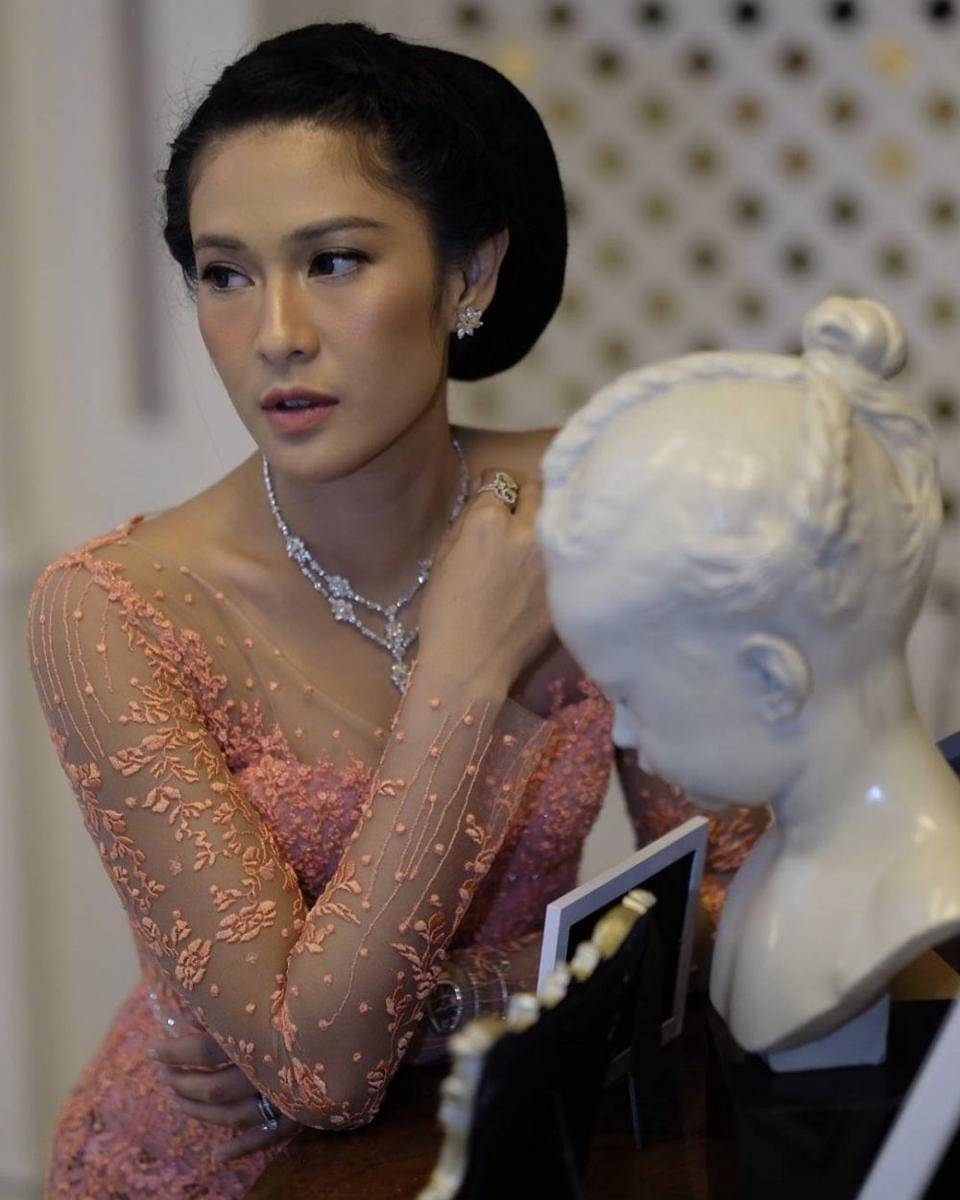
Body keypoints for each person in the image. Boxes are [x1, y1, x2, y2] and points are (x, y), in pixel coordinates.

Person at [26, 21, 755, 1196]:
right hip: (220, 1171)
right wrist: (468, 671)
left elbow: (744, 898)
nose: (276, 335)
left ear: (469, 274)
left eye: (334, 260)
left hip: (519, 1149)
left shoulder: (600, 508)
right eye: (225, 274)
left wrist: (451, 1001)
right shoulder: (112, 609)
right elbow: (319, 1077)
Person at [536, 295, 960, 1058]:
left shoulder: (923, 895)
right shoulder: (775, 865)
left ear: (771, 679)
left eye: (631, 694)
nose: (620, 730)